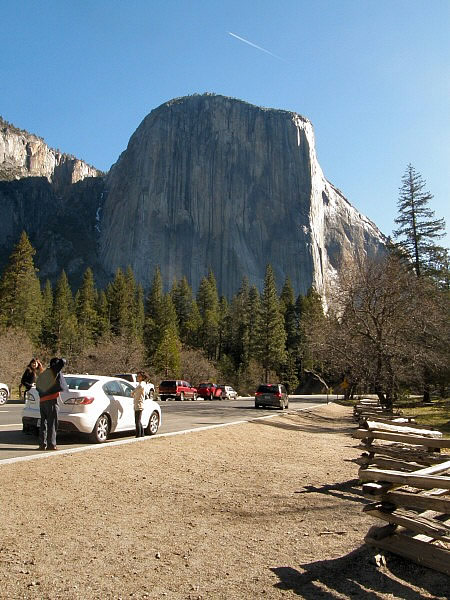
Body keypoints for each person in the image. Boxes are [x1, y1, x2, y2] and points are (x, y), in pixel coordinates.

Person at [35, 357, 68, 451]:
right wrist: (62, 359)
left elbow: (37, 387)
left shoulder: (45, 373)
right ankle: (52, 444)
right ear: (55, 364)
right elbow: (63, 361)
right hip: (52, 400)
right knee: (52, 423)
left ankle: (42, 445)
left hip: (42, 401)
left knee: (43, 423)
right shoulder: (54, 370)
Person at [132, 371, 149, 438]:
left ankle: (138, 435)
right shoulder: (140, 384)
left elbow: (140, 387)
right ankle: (142, 434)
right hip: (137, 403)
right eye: (137, 376)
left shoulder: (142, 384)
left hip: (139, 404)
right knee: (138, 420)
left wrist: (133, 391)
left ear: (142, 377)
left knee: (137, 421)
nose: (138, 377)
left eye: (139, 376)